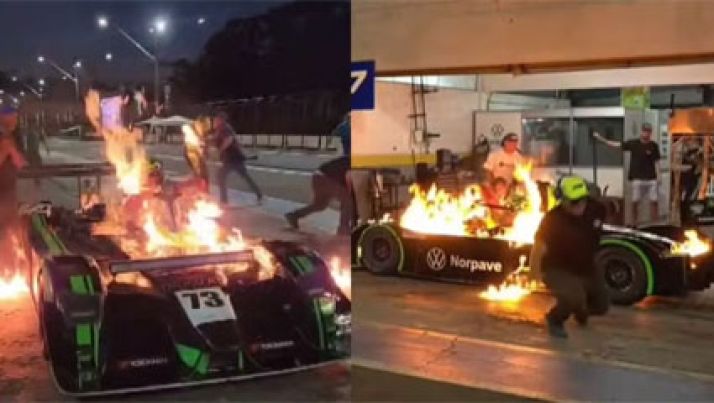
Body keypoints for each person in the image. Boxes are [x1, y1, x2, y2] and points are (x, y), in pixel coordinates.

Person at [530, 175, 609, 338]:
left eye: (583, 200)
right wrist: (534, 273)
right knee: (572, 297)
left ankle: (580, 310)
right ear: (563, 200)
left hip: (586, 265)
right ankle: (555, 319)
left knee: (602, 306)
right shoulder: (552, 220)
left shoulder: (596, 209)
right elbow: (538, 248)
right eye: (574, 202)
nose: (580, 205)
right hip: (557, 268)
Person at [593, 123, 661, 226]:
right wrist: (602, 139)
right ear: (641, 131)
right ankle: (634, 223)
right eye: (644, 131)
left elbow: (657, 161)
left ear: (650, 133)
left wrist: (659, 175)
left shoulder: (653, 145)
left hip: (651, 178)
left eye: (648, 131)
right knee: (635, 201)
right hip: (637, 178)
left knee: (654, 201)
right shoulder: (633, 143)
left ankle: (655, 224)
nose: (646, 133)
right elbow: (617, 144)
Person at [285, 155, 352, 236]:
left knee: (319, 205)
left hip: (318, 176)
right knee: (348, 200)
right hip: (327, 178)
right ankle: (343, 228)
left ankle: (294, 215)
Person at [211, 112, 263, 205]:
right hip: (232, 158)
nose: (215, 121)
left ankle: (224, 200)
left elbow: (229, 139)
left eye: (216, 119)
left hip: (233, 158)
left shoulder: (225, 128)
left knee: (221, 176)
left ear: (221, 120)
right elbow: (216, 139)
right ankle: (259, 194)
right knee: (245, 177)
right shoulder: (220, 129)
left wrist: (220, 150)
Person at [0, 106, 28, 225]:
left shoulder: (11, 136)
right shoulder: (3, 137)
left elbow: (19, 162)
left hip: (9, 188)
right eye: (12, 118)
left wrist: (13, 153)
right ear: (3, 118)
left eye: (16, 118)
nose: (15, 121)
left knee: (10, 220)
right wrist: (4, 151)